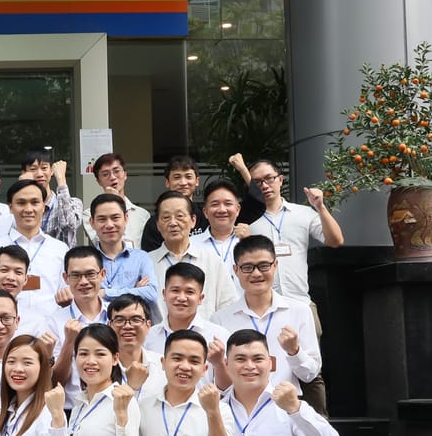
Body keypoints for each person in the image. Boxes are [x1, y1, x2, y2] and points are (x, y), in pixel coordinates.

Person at [247, 159, 343, 415]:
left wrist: (320, 207)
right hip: (266, 307)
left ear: (280, 179)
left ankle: (319, 425)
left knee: (310, 368)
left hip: (300, 303)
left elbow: (335, 240)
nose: (264, 185)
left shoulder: (303, 214)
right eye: (257, 182)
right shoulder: (252, 225)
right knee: (269, 365)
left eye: (269, 178)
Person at [214, 236, 322, 399]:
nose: (256, 273)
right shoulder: (220, 319)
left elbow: (310, 374)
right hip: (240, 407)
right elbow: (218, 381)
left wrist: (294, 351)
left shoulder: (299, 311)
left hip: (286, 405)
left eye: (264, 266)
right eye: (248, 267)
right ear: (236, 270)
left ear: (275, 265)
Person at [138, 154, 262, 252]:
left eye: (188, 177)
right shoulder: (157, 222)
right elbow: (152, 258)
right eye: (177, 177)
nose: (183, 182)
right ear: (167, 182)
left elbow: (258, 204)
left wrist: (243, 169)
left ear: (197, 181)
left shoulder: (211, 213)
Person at [0, 179, 65, 301]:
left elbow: (66, 292)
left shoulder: (60, 249)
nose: (28, 209)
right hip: (5, 313)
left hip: (51, 314)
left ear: (43, 206)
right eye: (21, 203)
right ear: (10, 207)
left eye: (35, 202)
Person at [150, 191, 238, 321]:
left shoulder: (212, 260)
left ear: (193, 221)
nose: (173, 223)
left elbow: (228, 306)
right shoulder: (146, 263)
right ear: (158, 225)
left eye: (180, 216)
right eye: (166, 217)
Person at [49, 246, 109, 407]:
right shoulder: (55, 321)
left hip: (113, 406)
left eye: (90, 274)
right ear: (65, 277)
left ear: (102, 274)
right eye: (75, 275)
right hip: (71, 409)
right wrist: (69, 342)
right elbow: (55, 381)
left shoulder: (116, 316)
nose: (83, 282)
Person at [143, 263, 229, 364]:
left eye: (189, 292)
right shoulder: (148, 337)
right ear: (164, 294)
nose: (181, 298)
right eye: (175, 290)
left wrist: (219, 363)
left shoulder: (219, 336)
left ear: (200, 298)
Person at [89, 193, 159, 315]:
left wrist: (105, 293)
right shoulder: (86, 260)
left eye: (115, 218)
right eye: (102, 219)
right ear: (92, 223)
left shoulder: (141, 258)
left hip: (131, 324)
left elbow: (151, 294)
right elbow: (83, 296)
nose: (109, 225)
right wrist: (134, 292)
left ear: (126, 218)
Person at [191, 178, 256, 296]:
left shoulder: (250, 242)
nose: (222, 210)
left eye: (228, 204)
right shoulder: (191, 245)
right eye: (215, 204)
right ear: (205, 212)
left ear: (237, 209)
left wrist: (250, 243)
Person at [19, 149, 84, 247]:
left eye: (44, 168)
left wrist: (61, 181)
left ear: (52, 171)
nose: (39, 174)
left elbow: (68, 226)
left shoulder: (74, 203)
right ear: (24, 173)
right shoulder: (20, 208)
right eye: (33, 169)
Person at [106, 293, 165, 395]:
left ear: (148, 325)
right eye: (119, 320)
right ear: (109, 326)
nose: (127, 326)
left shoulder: (162, 365)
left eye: (135, 320)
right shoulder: (101, 367)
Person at [92, 152, 148, 248]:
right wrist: (112, 203)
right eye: (105, 174)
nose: (112, 177)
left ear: (125, 174)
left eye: (116, 171)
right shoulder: (89, 214)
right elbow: (98, 242)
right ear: (98, 181)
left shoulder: (142, 214)